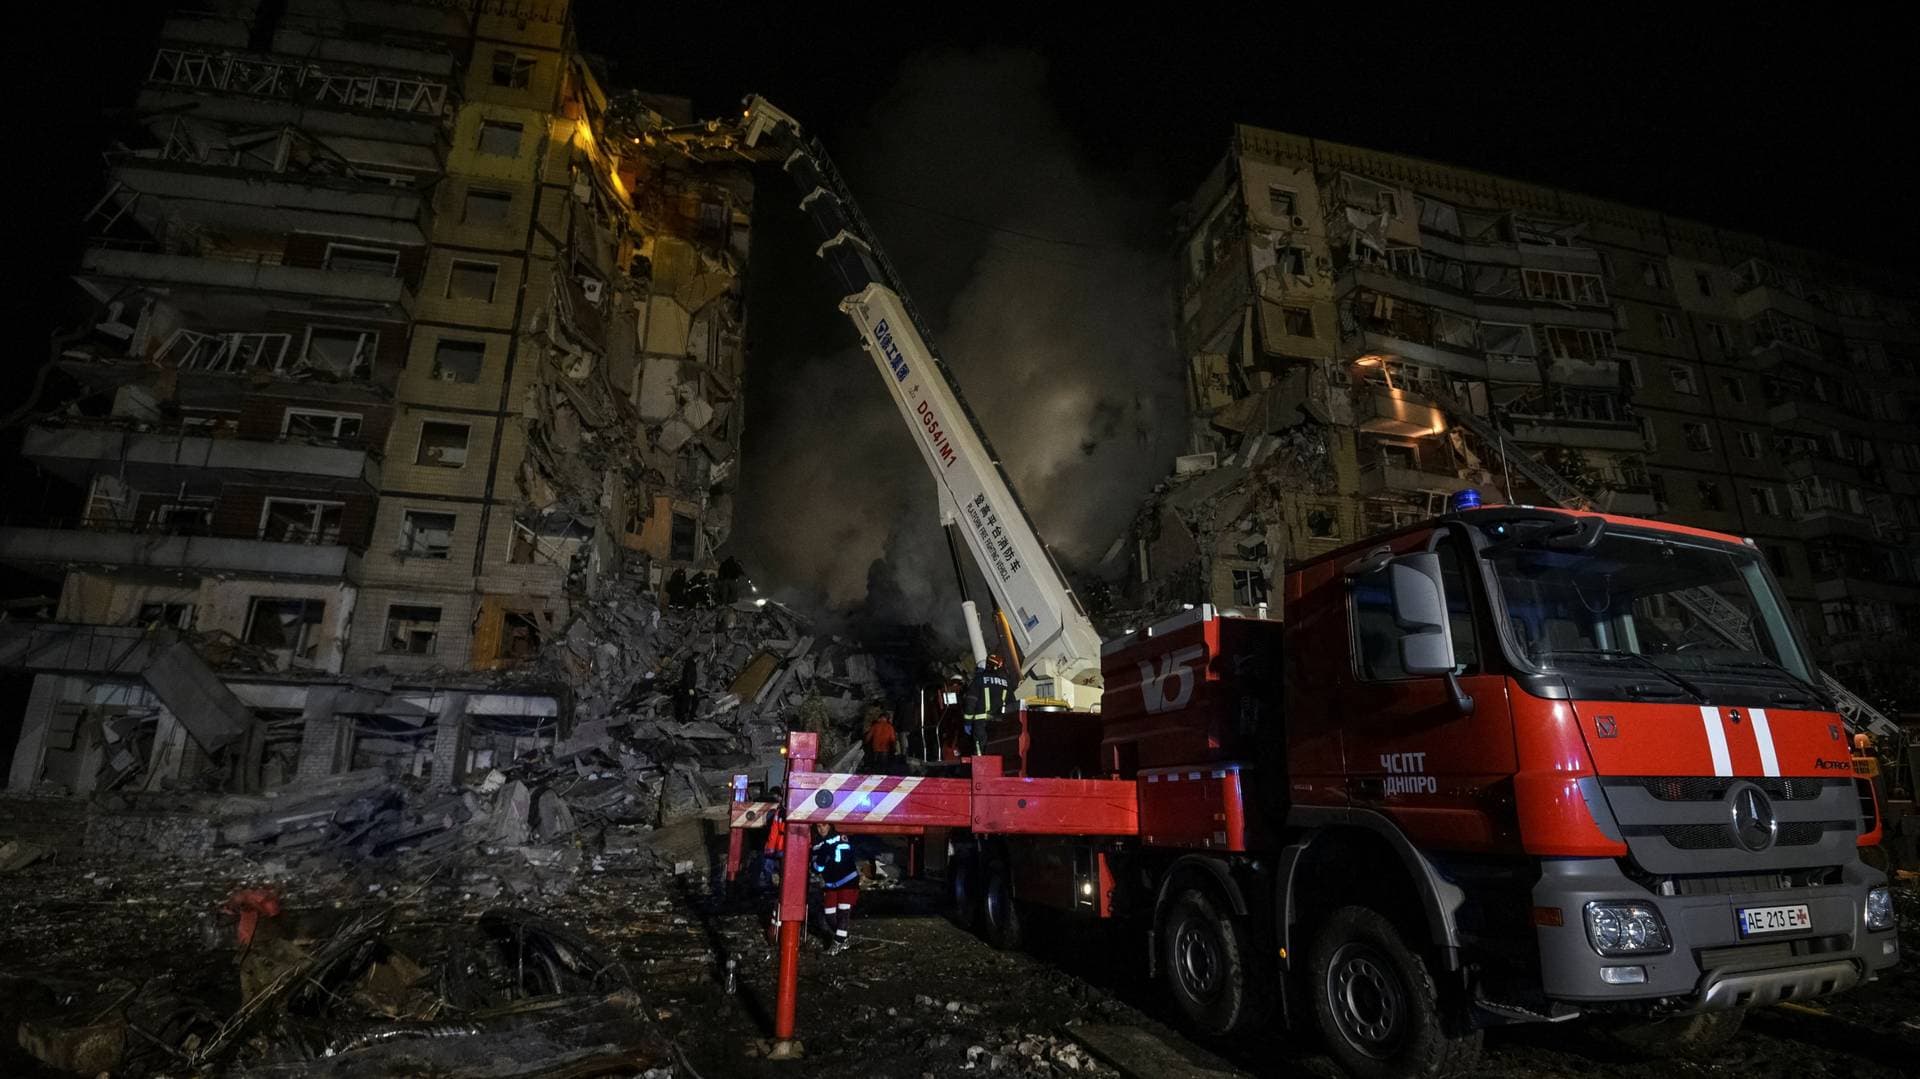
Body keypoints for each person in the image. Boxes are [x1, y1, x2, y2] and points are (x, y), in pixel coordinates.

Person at [811, 821, 860, 954]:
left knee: (843, 913)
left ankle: (837, 943)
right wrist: (822, 856)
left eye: (824, 825)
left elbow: (844, 856)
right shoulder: (816, 845)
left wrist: (825, 856)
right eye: (819, 826)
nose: (821, 829)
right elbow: (816, 868)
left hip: (848, 880)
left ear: (830, 825)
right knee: (829, 914)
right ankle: (844, 938)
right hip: (831, 883)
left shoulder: (840, 837)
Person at [962, 653, 1012, 757]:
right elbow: (1012, 704)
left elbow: (970, 703)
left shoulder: (979, 680)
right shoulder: (1006, 683)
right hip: (999, 724)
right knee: (996, 751)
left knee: (980, 754)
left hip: (981, 724)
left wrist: (967, 722)